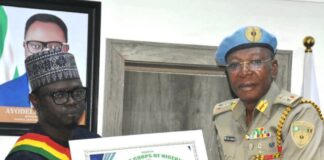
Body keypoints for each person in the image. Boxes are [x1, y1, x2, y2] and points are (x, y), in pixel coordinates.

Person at [212, 26, 323, 159]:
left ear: (274, 68)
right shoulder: (223, 117)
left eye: (256, 62)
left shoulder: (299, 114)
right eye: (235, 65)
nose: (244, 72)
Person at [5, 49, 100, 160]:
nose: (72, 101)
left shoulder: (93, 142)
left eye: (77, 92)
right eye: (60, 95)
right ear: (35, 101)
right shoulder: (24, 156)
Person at [0, 13, 69, 107]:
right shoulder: (2, 94)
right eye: (36, 46)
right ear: (25, 47)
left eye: (53, 47)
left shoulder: (82, 98)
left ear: (65, 50)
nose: (43, 55)